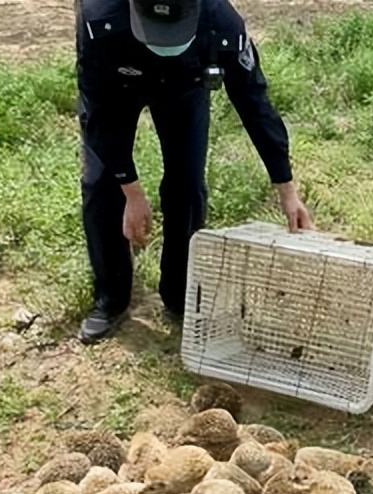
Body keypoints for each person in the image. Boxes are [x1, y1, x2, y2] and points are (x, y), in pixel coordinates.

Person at [73, 0, 314, 343]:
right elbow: (99, 119)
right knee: (101, 185)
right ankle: (111, 297)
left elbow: (254, 102)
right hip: (118, 86)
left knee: (186, 186)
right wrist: (131, 190)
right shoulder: (100, 18)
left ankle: (179, 292)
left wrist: (286, 188)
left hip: (184, 87)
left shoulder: (222, 22)